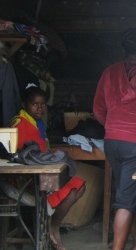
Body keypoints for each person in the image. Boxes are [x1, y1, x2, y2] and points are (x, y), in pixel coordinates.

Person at [93, 28, 136, 250]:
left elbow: (98, 110)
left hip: (112, 142)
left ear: (124, 50)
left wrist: (114, 128)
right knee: (126, 200)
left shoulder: (109, 73)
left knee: (128, 193)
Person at [10, 84, 86, 250]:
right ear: (24, 104)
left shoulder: (38, 124)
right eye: (34, 104)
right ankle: (53, 228)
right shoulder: (19, 124)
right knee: (71, 191)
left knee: (80, 187)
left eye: (43, 104)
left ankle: (53, 225)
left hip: (43, 174)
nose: (40, 108)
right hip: (27, 180)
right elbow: (20, 156)